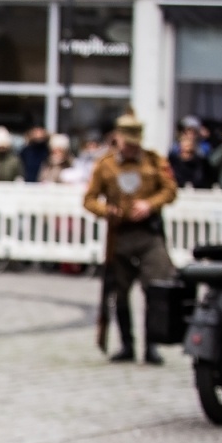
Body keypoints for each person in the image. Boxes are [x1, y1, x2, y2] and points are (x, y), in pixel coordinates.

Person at [83, 112, 177, 364]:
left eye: (136, 143)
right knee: (119, 292)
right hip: (120, 235)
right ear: (118, 140)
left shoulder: (154, 162)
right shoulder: (105, 165)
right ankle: (127, 345)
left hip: (148, 234)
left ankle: (152, 346)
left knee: (155, 287)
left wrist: (149, 204)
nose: (132, 147)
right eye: (128, 143)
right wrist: (107, 211)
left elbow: (170, 190)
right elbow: (89, 199)